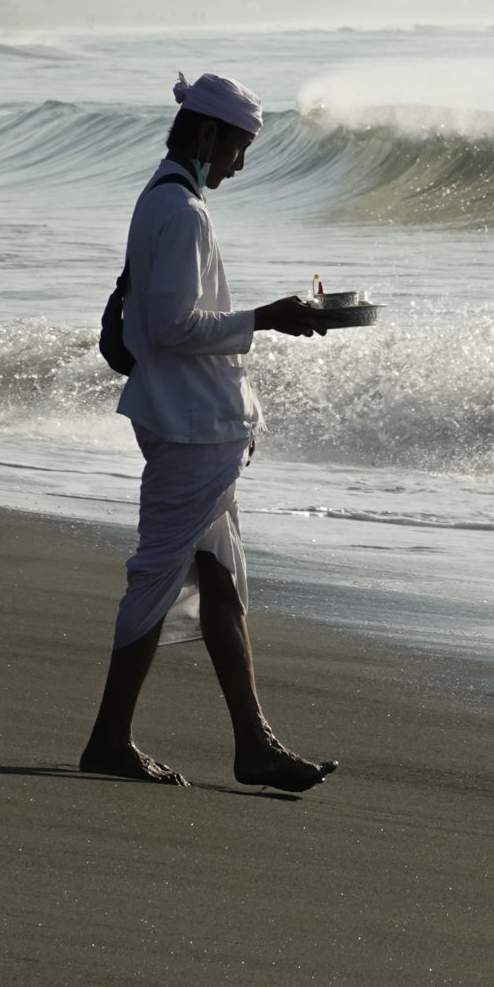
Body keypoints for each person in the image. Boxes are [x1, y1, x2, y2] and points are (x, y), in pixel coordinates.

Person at [79, 73, 338, 791]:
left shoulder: (161, 199)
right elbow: (173, 327)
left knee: (220, 582)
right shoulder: (182, 211)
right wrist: (268, 317)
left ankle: (254, 743)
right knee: (155, 578)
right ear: (205, 135)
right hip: (189, 429)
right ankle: (108, 739)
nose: (240, 164)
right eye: (238, 148)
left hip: (195, 424)